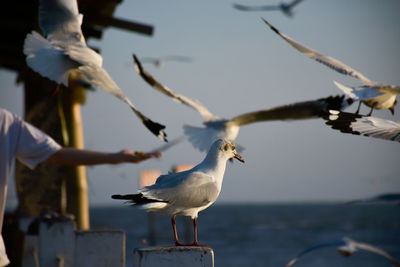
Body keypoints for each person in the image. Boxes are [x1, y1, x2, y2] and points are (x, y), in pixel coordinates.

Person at [0, 107, 162, 266]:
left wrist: (116, 157)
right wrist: (115, 158)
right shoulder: (4, 120)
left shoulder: (5, 121)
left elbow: (56, 154)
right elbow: (56, 155)